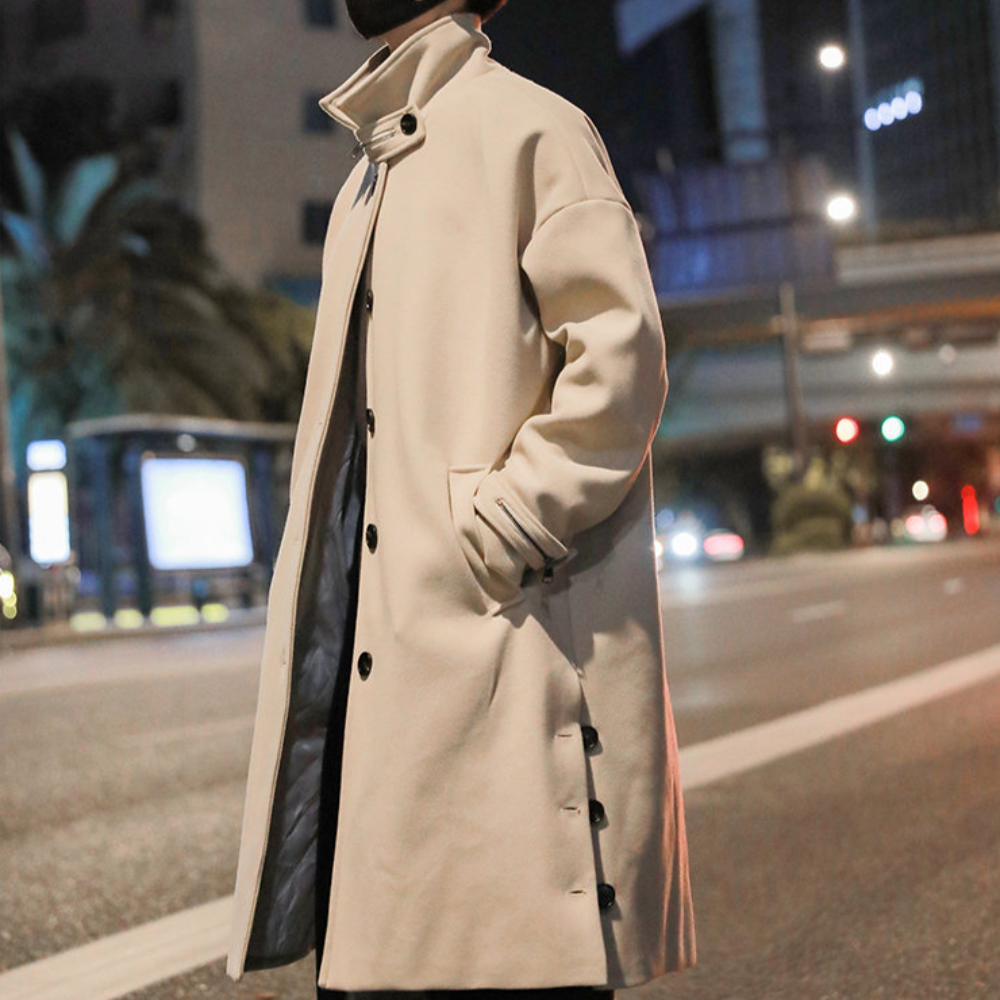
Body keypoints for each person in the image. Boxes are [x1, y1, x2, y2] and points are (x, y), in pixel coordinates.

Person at [225, 2, 696, 998]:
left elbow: (621, 360)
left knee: (507, 953)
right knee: (388, 951)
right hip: (393, 662)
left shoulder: (532, 126)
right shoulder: (370, 174)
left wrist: (506, 522)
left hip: (501, 637)